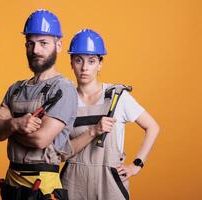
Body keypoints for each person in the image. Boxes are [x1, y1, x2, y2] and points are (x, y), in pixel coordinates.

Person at [0, 9, 78, 200]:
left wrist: (8, 125)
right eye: (30, 43)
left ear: (58, 45)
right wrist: (15, 124)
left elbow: (40, 140)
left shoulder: (62, 89)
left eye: (43, 43)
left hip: (42, 185)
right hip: (12, 181)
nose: (35, 50)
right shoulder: (16, 88)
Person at [60, 29, 160, 200]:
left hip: (110, 182)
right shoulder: (65, 100)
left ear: (100, 64)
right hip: (73, 183)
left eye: (91, 61)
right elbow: (59, 152)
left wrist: (136, 165)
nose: (84, 67)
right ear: (71, 63)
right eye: (78, 60)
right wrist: (93, 130)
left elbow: (153, 127)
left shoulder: (118, 97)